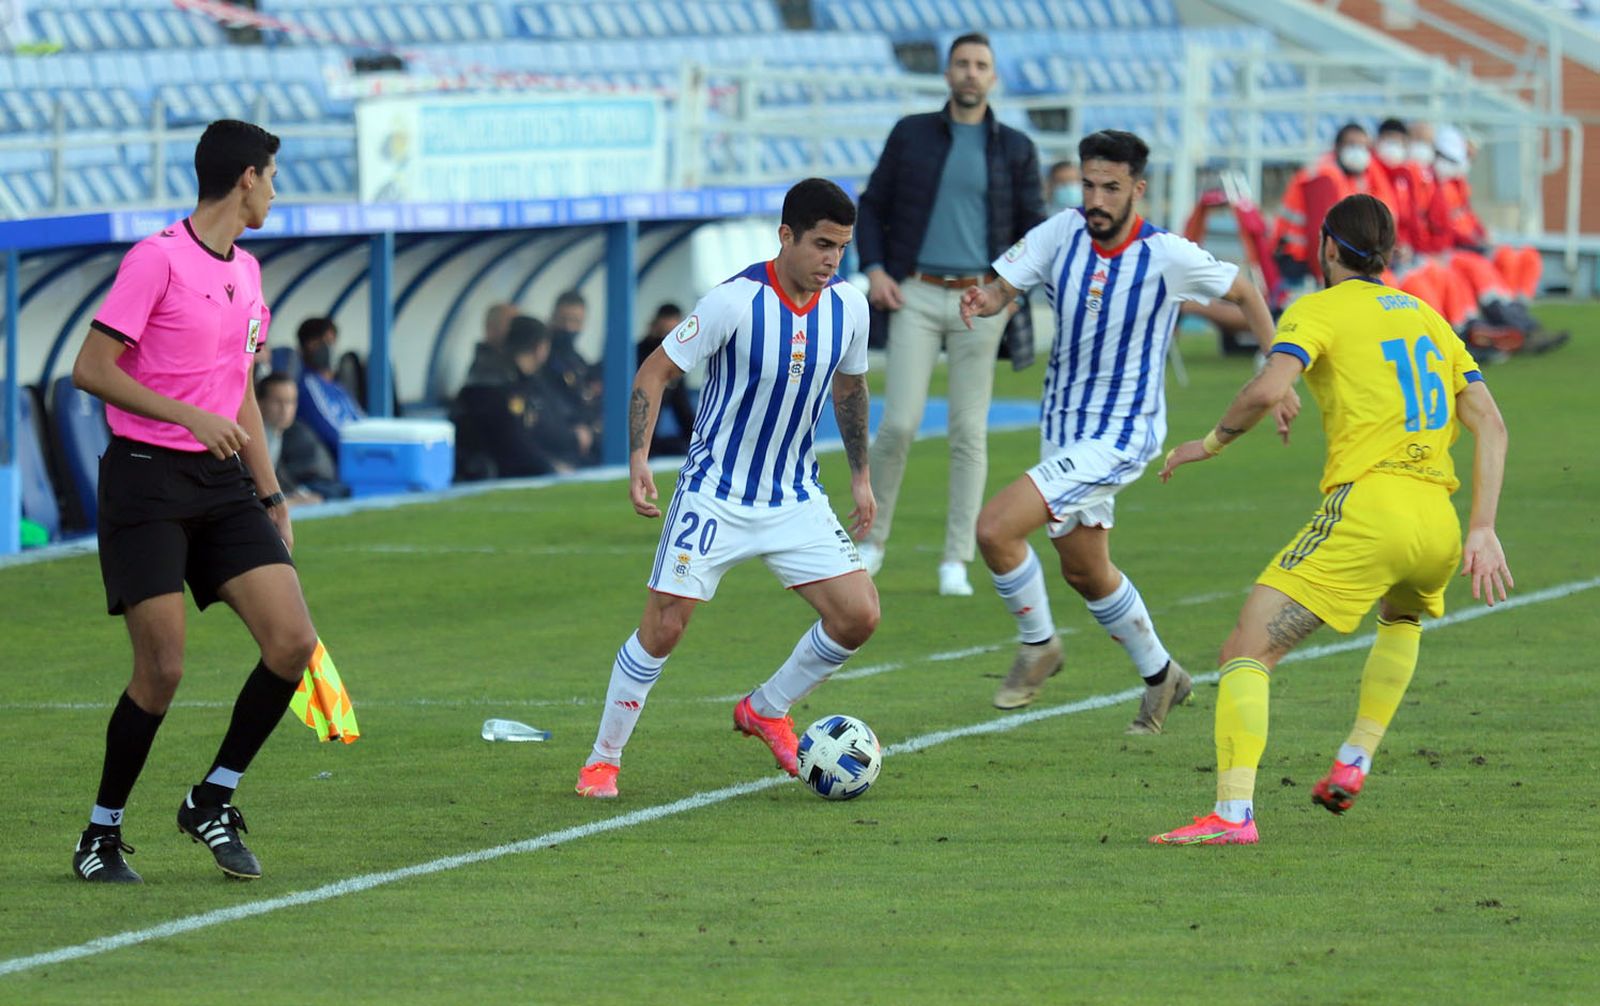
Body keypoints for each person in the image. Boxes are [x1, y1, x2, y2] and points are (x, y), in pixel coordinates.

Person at [1149, 194, 1512, 846]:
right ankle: (1355, 758)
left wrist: (1210, 443)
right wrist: (1482, 527)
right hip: (1438, 522)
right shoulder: (1429, 317)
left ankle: (1232, 815)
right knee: (1401, 617)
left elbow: (1267, 386)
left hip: (1372, 511)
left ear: (1327, 247)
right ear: (1388, 254)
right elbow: (1490, 422)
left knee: (1245, 650)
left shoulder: (1316, 309)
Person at [958, 130, 1284, 730]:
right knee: (1084, 569)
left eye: (1111, 187)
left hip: (1122, 434)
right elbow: (1006, 287)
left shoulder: (1166, 255)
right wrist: (986, 299)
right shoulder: (1062, 232)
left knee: (995, 529)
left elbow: (1244, 291)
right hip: (1063, 428)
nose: (1096, 200)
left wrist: (1277, 370)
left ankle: (1039, 645)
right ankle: (1163, 677)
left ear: (1137, 189)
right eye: (1088, 185)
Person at [66, 119, 319, 883]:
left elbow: (239, 390)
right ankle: (100, 834)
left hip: (223, 484)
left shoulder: (250, 270)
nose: (275, 192)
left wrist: (271, 493)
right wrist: (187, 416)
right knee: (163, 670)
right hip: (146, 482)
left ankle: (211, 799)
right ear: (246, 178)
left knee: (292, 643)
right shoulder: (157, 259)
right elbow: (91, 368)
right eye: (272, 177)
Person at [574, 178, 878, 799]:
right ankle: (602, 761)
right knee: (665, 626)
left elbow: (850, 388)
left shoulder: (850, 306)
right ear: (786, 236)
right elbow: (655, 372)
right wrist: (638, 458)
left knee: (859, 615)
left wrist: (861, 476)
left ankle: (766, 709)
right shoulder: (734, 302)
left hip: (794, 495)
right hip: (714, 491)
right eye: (822, 245)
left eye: (842, 248)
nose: (832, 260)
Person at [855, 31, 1045, 596]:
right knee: (898, 423)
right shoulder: (910, 133)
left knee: (968, 431)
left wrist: (1006, 292)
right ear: (947, 73)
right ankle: (870, 542)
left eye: (980, 65)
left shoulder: (1016, 148)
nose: (970, 73)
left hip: (978, 302)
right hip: (914, 291)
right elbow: (872, 205)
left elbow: (1033, 229)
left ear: (993, 77)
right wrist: (876, 269)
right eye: (962, 63)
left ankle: (955, 559)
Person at [256, 372, 330, 506]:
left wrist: (299, 495)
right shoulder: (253, 437)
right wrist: (293, 501)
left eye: (290, 402)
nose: (285, 410)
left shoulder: (278, 433)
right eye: (277, 402)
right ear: (260, 403)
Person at [295, 316, 364, 454]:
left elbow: (361, 421)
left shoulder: (337, 387)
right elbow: (333, 435)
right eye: (323, 342)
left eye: (332, 342)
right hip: (346, 459)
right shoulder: (307, 386)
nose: (329, 348)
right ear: (307, 345)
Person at [636, 302, 696, 456]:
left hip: (651, 440)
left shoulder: (674, 363)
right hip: (635, 437)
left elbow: (682, 409)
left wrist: (698, 440)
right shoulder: (637, 356)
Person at [462, 301, 519, 389]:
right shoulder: (485, 368)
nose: (517, 330)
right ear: (490, 327)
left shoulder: (508, 362)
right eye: (511, 324)